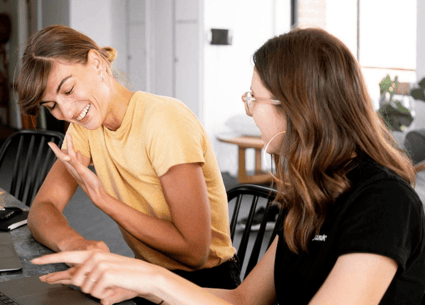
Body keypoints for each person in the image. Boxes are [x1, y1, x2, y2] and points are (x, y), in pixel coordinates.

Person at [32, 27, 425, 305]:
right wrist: (137, 284)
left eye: (254, 98)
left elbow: (196, 254)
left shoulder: (384, 201)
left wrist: (149, 276)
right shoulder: (311, 194)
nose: (249, 111)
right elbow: (242, 300)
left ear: (298, 109)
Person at [15, 25, 241, 303]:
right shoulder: (84, 127)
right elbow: (42, 209)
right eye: (52, 106)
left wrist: (104, 200)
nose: (68, 111)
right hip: (144, 278)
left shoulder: (163, 120)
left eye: (69, 90)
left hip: (206, 286)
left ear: (97, 63)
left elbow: (195, 253)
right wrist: (79, 245)